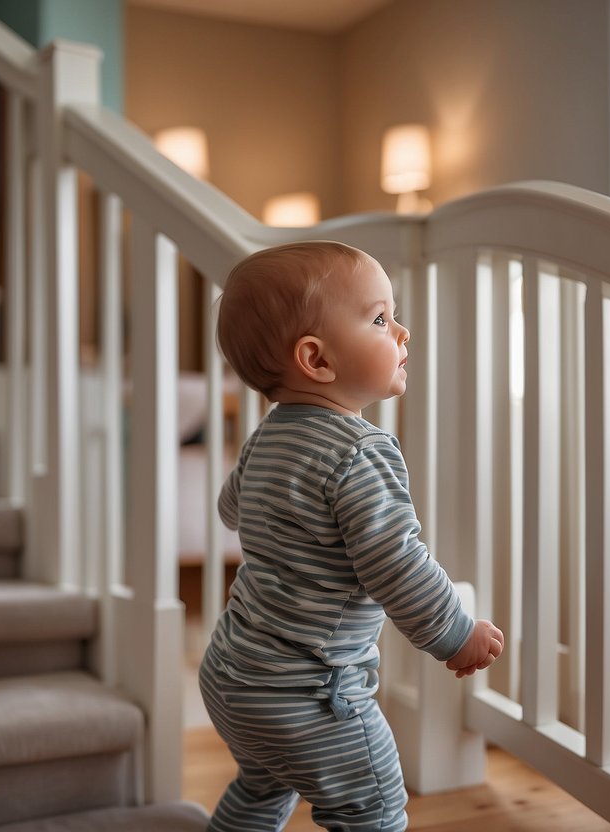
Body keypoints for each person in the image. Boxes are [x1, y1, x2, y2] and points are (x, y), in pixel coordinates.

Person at [199, 240, 505, 831]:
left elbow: (230, 508)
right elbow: (398, 564)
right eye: (380, 318)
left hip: (232, 676)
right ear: (316, 361)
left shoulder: (268, 436)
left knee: (261, 789)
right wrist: (455, 633)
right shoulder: (359, 452)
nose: (402, 332)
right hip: (309, 694)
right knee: (375, 810)